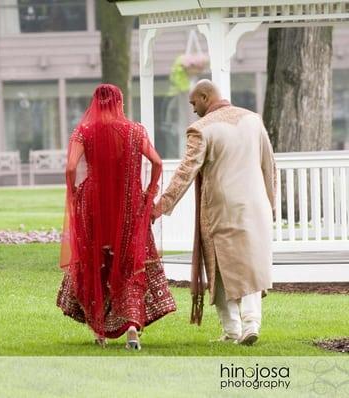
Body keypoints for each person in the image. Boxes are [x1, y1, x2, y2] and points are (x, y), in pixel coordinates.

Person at [152, 80, 276, 346]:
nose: (193, 109)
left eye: (194, 102)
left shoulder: (201, 129)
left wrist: (160, 206)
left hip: (222, 209)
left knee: (219, 267)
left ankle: (233, 329)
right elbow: (269, 166)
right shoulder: (253, 120)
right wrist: (271, 205)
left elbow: (186, 172)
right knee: (250, 264)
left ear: (206, 97)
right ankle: (251, 322)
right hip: (256, 207)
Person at [57, 84, 176, 350]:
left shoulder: (83, 131)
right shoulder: (135, 131)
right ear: (120, 102)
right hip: (130, 203)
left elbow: (71, 167)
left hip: (93, 204)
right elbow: (157, 162)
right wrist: (149, 193)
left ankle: (99, 331)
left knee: (96, 262)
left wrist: (74, 192)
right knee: (129, 263)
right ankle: (132, 329)